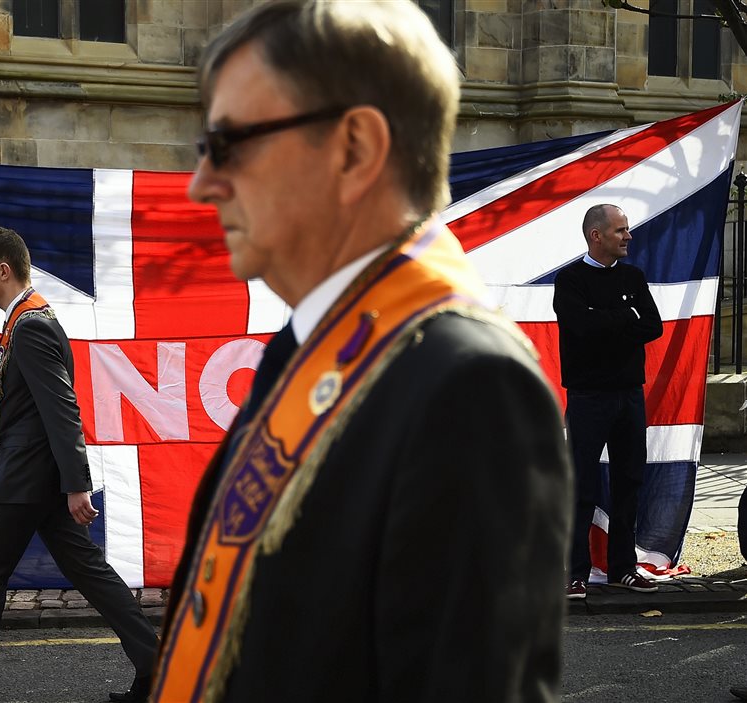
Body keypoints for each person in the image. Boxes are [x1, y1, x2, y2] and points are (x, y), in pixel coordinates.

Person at [151, 3, 573, 702]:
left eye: (226, 142)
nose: (202, 183)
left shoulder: (473, 389)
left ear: (353, 148)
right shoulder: (305, 345)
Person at [0, 227, 158, 703]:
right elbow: (17, 409)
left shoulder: (31, 326)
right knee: (91, 574)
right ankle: (160, 671)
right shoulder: (27, 321)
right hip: (40, 477)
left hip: (22, 481)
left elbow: (61, 408)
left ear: (2, 271)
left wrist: (78, 485)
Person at [555, 204, 663, 600]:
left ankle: (623, 569)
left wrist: (605, 318)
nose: (628, 237)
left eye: (627, 230)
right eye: (620, 231)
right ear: (596, 235)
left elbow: (652, 326)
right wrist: (624, 318)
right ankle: (576, 574)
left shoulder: (633, 276)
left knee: (629, 482)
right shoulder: (570, 281)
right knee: (581, 485)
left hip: (630, 395)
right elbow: (579, 328)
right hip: (588, 398)